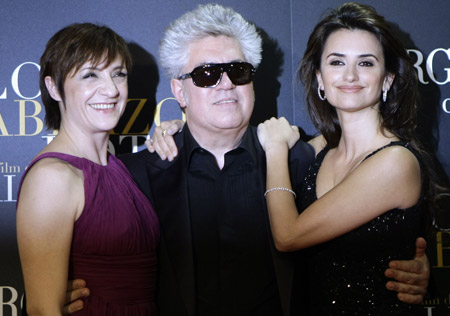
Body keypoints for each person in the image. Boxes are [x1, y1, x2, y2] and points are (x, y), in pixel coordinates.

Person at [65, 4, 430, 316]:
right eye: (207, 74)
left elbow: (365, 237)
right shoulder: (135, 177)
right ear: (179, 90)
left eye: (237, 72)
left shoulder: (300, 162)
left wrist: (411, 265)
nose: (225, 84)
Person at [256, 2, 444, 315]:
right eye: (337, 62)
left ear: (387, 80)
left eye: (367, 63)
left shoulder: (395, 163)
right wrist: (176, 129)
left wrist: (275, 150)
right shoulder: (317, 151)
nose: (351, 75)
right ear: (320, 78)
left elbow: (288, 237)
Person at [16, 23, 159, 315]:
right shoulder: (51, 177)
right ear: (53, 87)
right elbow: (43, 310)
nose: (111, 90)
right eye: (90, 75)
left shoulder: (119, 169)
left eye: (118, 74)